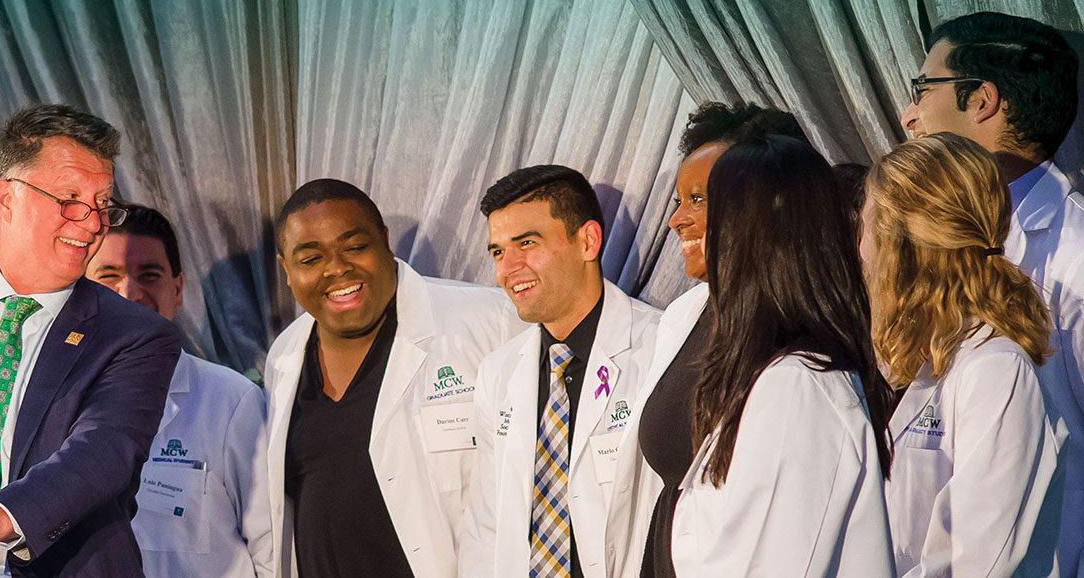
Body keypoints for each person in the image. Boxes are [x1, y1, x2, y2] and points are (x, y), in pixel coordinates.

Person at [0, 104, 180, 577]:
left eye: (103, 203)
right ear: (6, 197)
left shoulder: (136, 335)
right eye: (70, 198)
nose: (91, 222)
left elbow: (103, 450)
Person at [263, 179, 522, 578]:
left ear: (385, 241)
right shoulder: (284, 356)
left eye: (354, 247)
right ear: (286, 269)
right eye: (310, 259)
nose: (336, 268)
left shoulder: (491, 322)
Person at [901, 11, 1084, 571]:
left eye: (922, 90)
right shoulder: (919, 242)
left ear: (981, 101)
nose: (909, 117)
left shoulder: (1074, 260)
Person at [670, 135, 895, 576]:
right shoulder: (779, 376)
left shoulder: (799, 388)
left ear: (749, 235)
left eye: (708, 206)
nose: (684, 222)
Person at [604, 102, 810, 578]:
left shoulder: (796, 347)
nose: (677, 219)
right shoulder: (683, 316)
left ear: (762, 201)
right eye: (678, 201)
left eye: (699, 199)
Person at [861, 132, 1062, 576]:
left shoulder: (995, 370)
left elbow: (981, 561)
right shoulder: (940, 358)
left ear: (905, 247)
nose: (862, 253)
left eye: (867, 227)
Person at [460, 164, 662, 578]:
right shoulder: (498, 373)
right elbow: (485, 528)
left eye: (526, 243)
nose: (507, 268)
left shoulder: (662, 349)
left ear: (587, 241)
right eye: (498, 251)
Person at [84, 204, 273, 578]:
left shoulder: (231, 402)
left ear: (178, 289)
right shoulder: (52, 400)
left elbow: (273, 552)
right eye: (109, 276)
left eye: (149, 275)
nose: (129, 293)